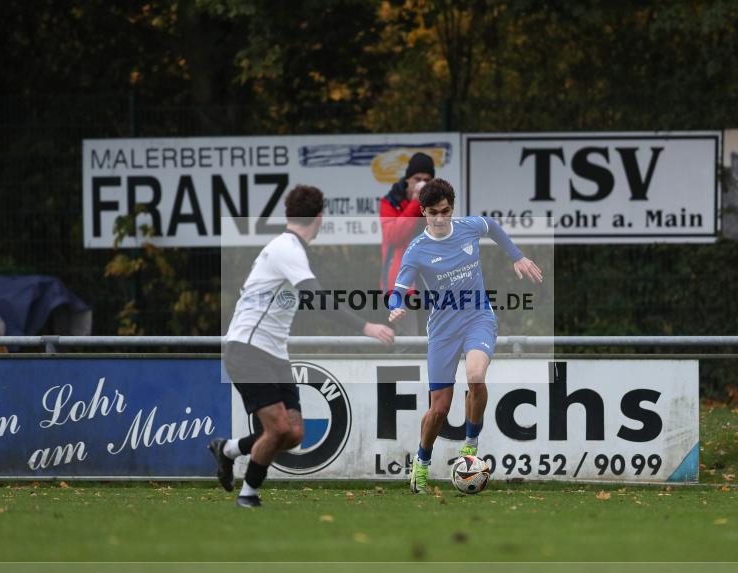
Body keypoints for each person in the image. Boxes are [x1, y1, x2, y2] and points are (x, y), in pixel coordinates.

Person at [211, 185, 395, 508]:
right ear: (319, 218)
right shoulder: (287, 248)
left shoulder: (290, 248)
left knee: (293, 433)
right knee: (278, 428)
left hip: (275, 353)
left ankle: (228, 449)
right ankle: (248, 495)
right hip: (248, 350)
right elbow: (316, 297)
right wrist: (366, 326)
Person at [387, 178, 543, 494]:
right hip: (443, 330)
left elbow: (492, 227)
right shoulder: (417, 250)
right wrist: (396, 306)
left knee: (475, 376)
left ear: (452, 208)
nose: (440, 218)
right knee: (439, 409)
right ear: (423, 212)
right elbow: (398, 290)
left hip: (478, 318)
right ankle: (421, 462)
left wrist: (517, 256)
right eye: (433, 213)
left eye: (445, 211)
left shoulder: (468, 228)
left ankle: (470, 446)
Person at [379, 152, 435, 338]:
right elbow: (394, 236)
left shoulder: (436, 204)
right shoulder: (390, 202)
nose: (422, 183)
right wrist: (415, 203)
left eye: (427, 180)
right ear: (408, 179)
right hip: (400, 285)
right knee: (407, 342)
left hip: (430, 284)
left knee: (434, 339)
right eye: (417, 179)